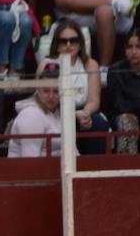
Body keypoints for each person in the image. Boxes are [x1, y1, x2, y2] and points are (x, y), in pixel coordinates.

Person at [45, 16, 110, 153]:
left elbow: (94, 101)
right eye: (63, 41)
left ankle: (94, 169)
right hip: (56, 112)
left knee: (97, 122)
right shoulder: (47, 64)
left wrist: (85, 114)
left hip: (83, 111)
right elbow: (47, 102)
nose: (69, 45)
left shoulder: (90, 64)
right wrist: (73, 115)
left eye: (73, 41)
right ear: (57, 45)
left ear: (80, 43)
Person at [6, 62, 64, 156]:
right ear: (38, 90)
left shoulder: (59, 113)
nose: (51, 96)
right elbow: (31, 161)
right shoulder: (31, 115)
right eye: (46, 91)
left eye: (56, 91)